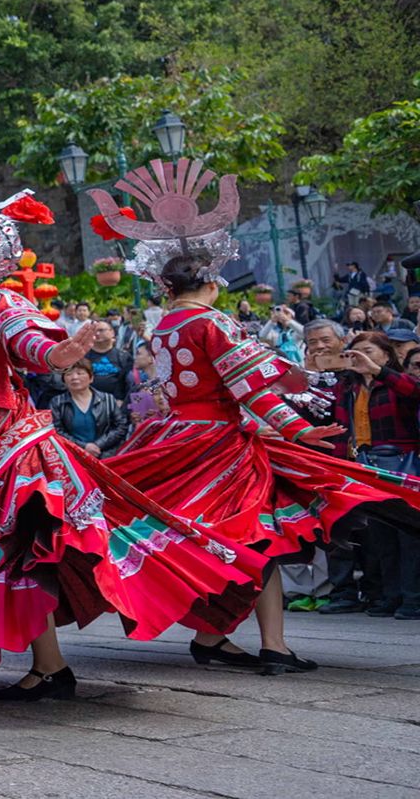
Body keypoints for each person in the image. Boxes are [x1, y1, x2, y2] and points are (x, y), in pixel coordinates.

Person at [0, 188, 265, 701]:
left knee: (23, 548)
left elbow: (31, 345)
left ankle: (50, 665)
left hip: (6, 442)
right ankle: (47, 665)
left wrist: (59, 353)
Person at [97, 165, 420, 675]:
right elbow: (248, 387)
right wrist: (299, 429)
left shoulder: (161, 329)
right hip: (221, 443)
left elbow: (160, 392)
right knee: (258, 537)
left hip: (176, 438)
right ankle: (264, 644)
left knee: (236, 538)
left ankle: (221, 636)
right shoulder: (212, 320)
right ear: (212, 281)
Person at [330, 331, 420, 620]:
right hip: (365, 464)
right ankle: (388, 595)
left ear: (385, 353)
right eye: (355, 351)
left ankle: (412, 599)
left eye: (368, 350)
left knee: (408, 535)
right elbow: (342, 430)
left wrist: (379, 372)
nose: (360, 356)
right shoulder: (348, 387)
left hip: (402, 462)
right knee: (379, 535)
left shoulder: (396, 381)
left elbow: (416, 392)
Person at [48, 360, 130, 458]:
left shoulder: (108, 399)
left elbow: (121, 426)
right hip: (73, 456)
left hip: (106, 454)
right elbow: (56, 430)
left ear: (91, 378)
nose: (74, 377)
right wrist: (83, 447)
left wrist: (98, 445)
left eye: (80, 373)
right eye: (69, 374)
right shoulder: (57, 403)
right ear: (64, 380)